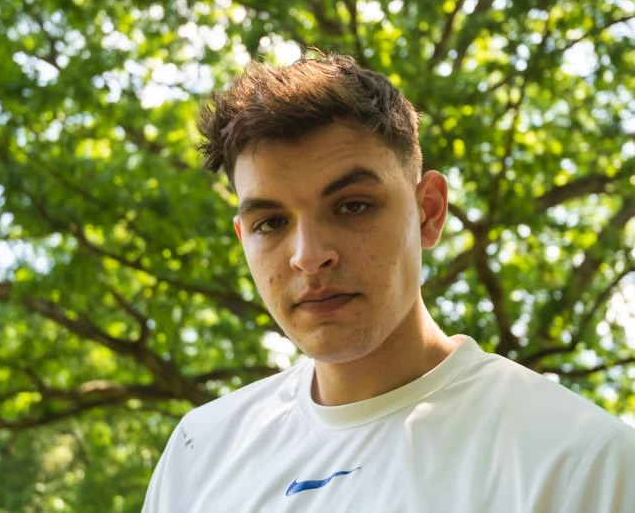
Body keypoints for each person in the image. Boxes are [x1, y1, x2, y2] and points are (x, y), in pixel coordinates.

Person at [141, 53, 635, 512]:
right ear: (243, 237)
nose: (309, 257)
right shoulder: (200, 452)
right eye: (270, 223)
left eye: (352, 206)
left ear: (429, 211)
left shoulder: (578, 461)